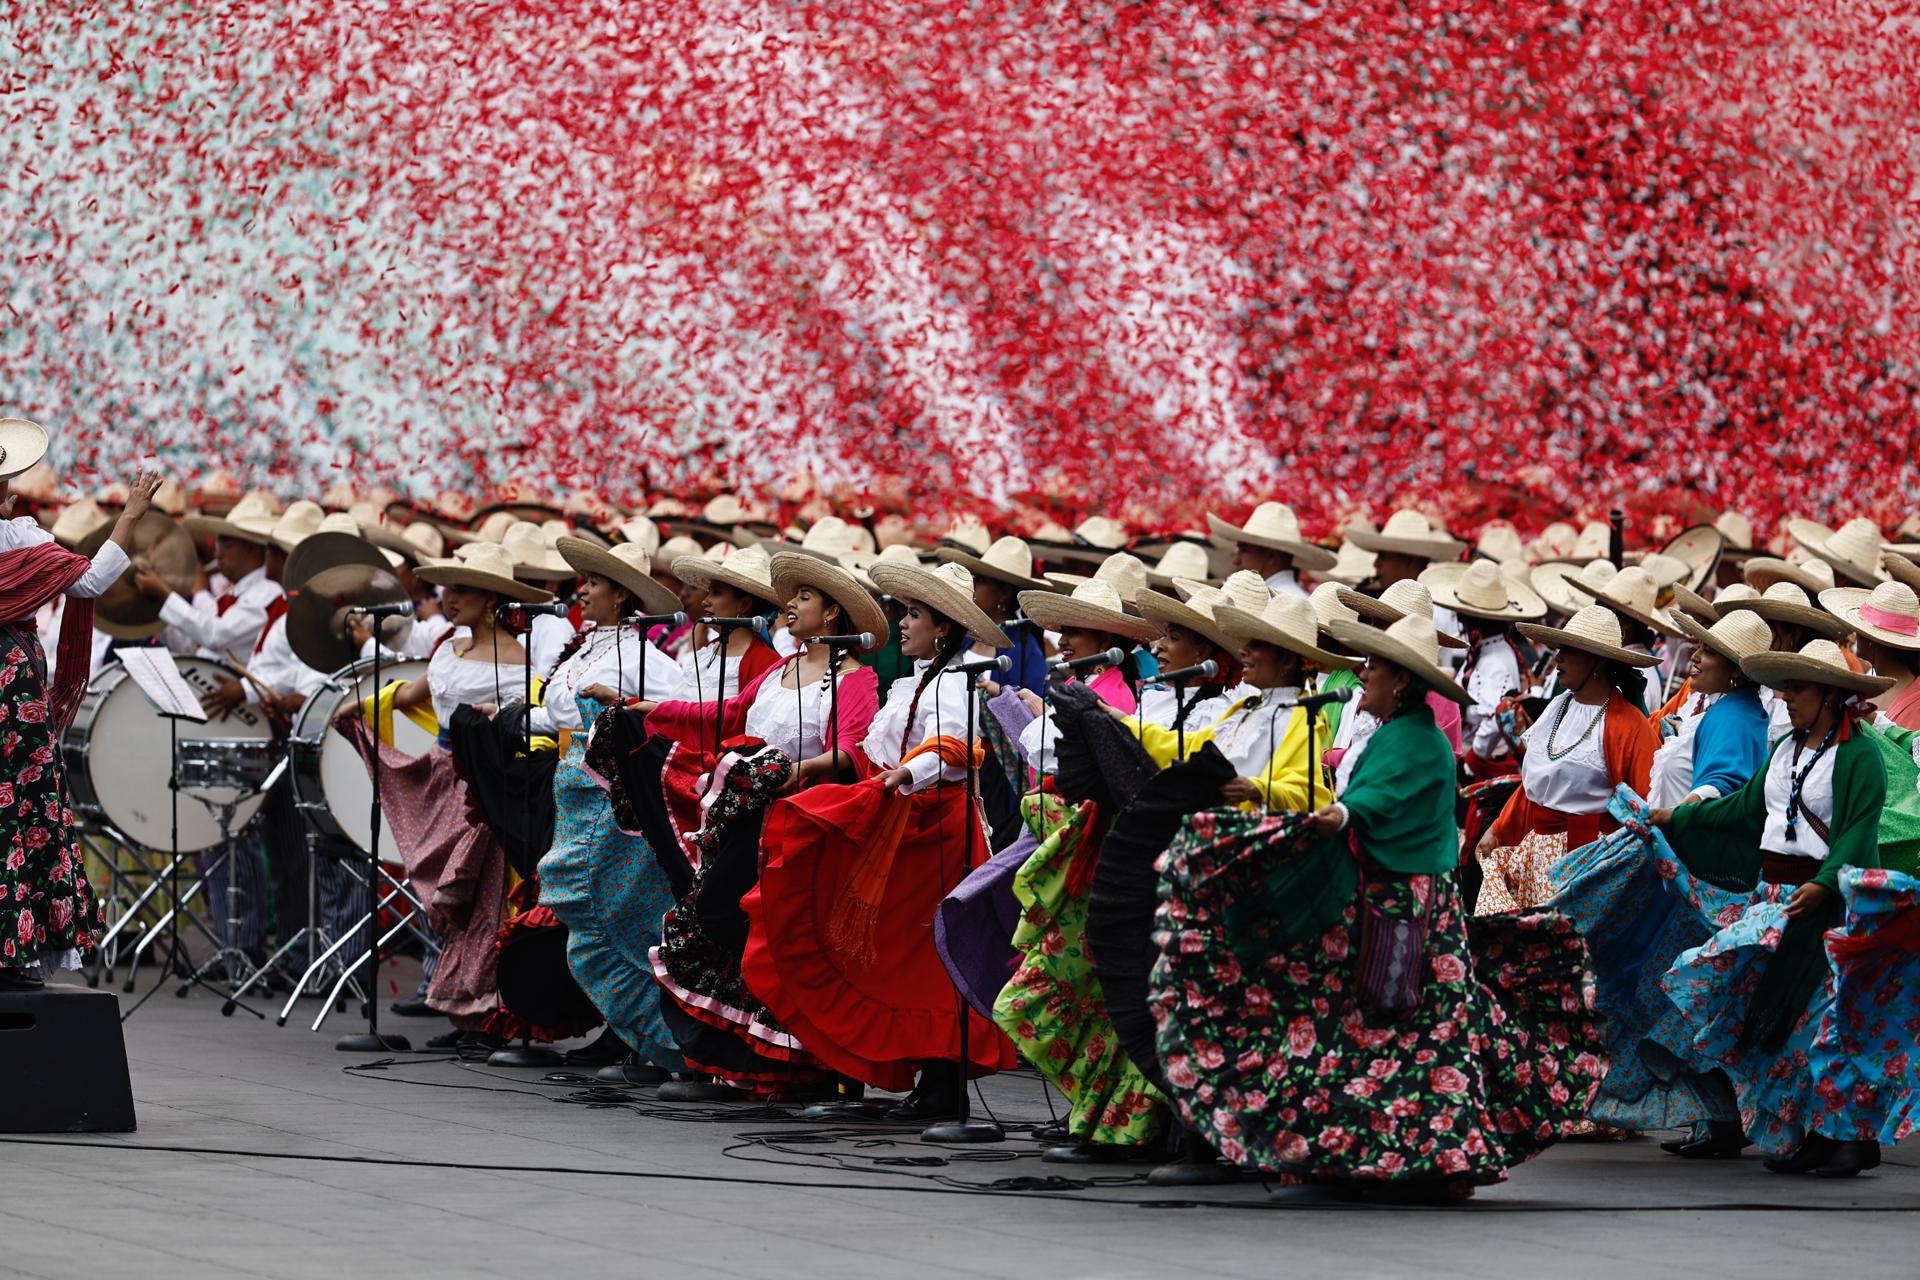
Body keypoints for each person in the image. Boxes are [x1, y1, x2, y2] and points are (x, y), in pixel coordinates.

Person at [1150, 613, 1602, 1201]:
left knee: (1414, 1035)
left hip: (1410, 913)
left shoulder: (1414, 739)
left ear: (1401, 682)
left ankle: (1432, 1163)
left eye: (1373, 668)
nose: (1362, 677)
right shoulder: (1395, 731)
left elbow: (1369, 802)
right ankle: (1393, 1162)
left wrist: (1334, 815)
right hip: (1390, 903)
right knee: (1389, 1035)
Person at [741, 560, 1018, 1117]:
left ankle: (944, 1084)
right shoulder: (913, 681)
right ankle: (930, 1080)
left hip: (934, 827)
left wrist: (903, 774)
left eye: (913, 614)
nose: (903, 623)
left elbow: (959, 749)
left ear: (942, 627)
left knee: (928, 955)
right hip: (905, 821)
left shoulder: (953, 682)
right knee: (906, 953)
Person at [631, 552, 886, 1086]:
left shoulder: (855, 679)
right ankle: (741, 1061)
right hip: (745, 817)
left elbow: (852, 752)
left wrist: (795, 770)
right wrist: (649, 710)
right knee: (721, 920)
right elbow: (728, 715)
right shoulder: (783, 667)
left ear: (833, 614)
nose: (789, 605)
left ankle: (799, 1066)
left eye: (804, 597)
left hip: (799, 826)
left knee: (764, 933)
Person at [1642, 640, 1893, 1175]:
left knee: (1828, 1025)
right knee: (1779, 1020)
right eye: (1786, 686)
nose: (1787, 697)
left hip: (1832, 909)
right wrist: (1676, 819)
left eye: (1798, 687)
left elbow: (1856, 833)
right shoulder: (1786, 750)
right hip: (1776, 901)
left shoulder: (1859, 755)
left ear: (1830, 695)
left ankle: (1850, 1138)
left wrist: (1826, 884)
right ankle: (1811, 1132)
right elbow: (1744, 808)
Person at [1545, 609, 1773, 1140]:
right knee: (1671, 988)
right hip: (1669, 859)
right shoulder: (1716, 710)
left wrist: (1674, 815)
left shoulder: (1726, 717)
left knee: (1677, 991)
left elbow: (1725, 783)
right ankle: (1714, 1117)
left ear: (1736, 668)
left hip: (1696, 871)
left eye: (1708, 651)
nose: (1694, 655)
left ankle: (1720, 1119)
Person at [340, 542, 546, 1050]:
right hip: (441, 778)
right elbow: (414, 695)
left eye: (464, 590)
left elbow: (526, 729)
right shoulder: (448, 648)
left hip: (485, 790)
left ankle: (496, 1013)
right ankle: (467, 1014)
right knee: (455, 903)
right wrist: (358, 709)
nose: (451, 599)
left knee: (488, 900)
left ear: (492, 598)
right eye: (449, 589)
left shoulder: (518, 662)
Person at [0, 425, 159, 989]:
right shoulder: (18, 537)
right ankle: (15, 946)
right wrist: (131, 515)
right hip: (9, 691)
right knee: (20, 810)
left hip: (11, 689)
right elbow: (88, 581)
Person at [1473, 605, 1659, 914]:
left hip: (1586, 863)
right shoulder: (1557, 707)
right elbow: (1535, 785)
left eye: (1568, 651)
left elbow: (1646, 809)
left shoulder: (1630, 725)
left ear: (1596, 660)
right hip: (1537, 855)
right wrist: (1498, 830)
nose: (1557, 657)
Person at [1416, 561, 1543, 777]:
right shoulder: (1485, 651)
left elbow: (1496, 717)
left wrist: (1471, 761)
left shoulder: (1496, 659)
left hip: (1480, 767)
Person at [667, 543, 783, 724]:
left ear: (743, 604)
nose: (705, 601)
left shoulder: (764, 661)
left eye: (716, 593)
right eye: (708, 593)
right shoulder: (708, 650)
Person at [934, 535, 1051, 695]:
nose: (972, 585)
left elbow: (1038, 711)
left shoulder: (1027, 651)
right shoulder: (965, 634)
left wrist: (1002, 694)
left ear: (1003, 593)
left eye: (980, 580)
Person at [1819, 579, 1920, 729]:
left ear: (1872, 640)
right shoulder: (1863, 689)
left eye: (1860, 630)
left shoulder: (1915, 704)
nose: (1855, 634)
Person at [1204, 501, 1336, 600]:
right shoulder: (1297, 600)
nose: (1236, 561)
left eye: (1244, 550)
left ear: (1272, 556)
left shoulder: (1272, 602)